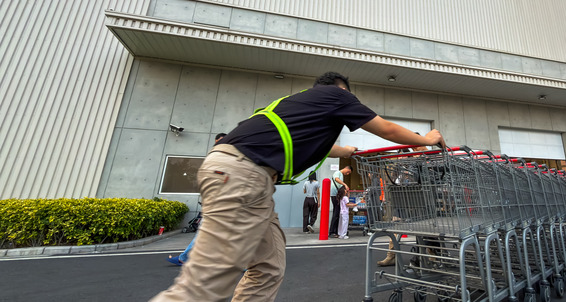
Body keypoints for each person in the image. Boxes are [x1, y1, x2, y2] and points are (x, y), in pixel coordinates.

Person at [151, 71, 445, 302]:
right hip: (243, 177)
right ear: (340, 88)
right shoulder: (337, 95)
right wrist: (428, 139)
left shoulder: (290, 105)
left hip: (241, 176)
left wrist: (343, 151)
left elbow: (304, 142)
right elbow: (386, 128)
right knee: (206, 283)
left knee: (268, 268)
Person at [166, 133, 226, 266]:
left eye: (220, 141)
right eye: (216, 142)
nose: (217, 144)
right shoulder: (218, 157)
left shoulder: (225, 158)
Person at [329, 165, 352, 238]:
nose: (347, 174)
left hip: (337, 195)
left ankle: (336, 231)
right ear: (346, 168)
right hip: (335, 195)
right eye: (348, 172)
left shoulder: (341, 175)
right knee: (336, 213)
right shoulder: (338, 172)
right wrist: (344, 184)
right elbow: (336, 179)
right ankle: (332, 231)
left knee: (337, 213)